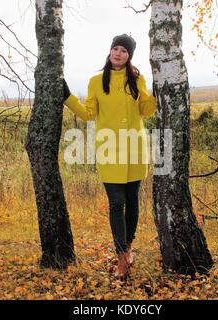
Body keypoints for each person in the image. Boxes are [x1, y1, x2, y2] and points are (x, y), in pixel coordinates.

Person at [62, 34, 157, 280]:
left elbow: (146, 111)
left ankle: (128, 247)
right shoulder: (96, 81)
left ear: (129, 56)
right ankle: (122, 257)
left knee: (132, 202)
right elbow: (88, 114)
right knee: (116, 204)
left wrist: (155, 92)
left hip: (135, 148)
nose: (118, 54)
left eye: (124, 51)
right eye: (116, 48)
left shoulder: (137, 79)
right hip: (109, 151)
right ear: (110, 51)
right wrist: (68, 97)